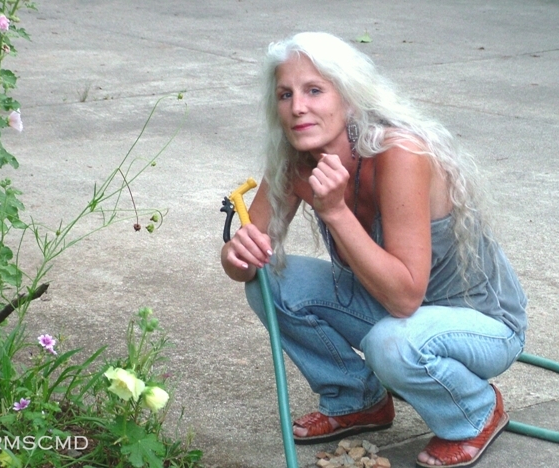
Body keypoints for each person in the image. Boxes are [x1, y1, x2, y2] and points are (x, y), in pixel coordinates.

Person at [220, 31, 527, 468]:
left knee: (392, 344)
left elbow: (405, 298)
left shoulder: (398, 153)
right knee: (271, 281)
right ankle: (357, 398)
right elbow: (247, 266)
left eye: (314, 90)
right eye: (285, 94)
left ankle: (476, 411)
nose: (297, 107)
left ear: (348, 98)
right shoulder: (293, 161)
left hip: (481, 324)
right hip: (399, 313)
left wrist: (335, 213)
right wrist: (238, 256)